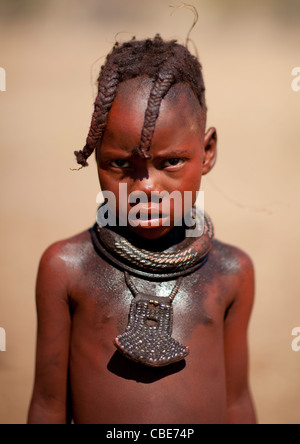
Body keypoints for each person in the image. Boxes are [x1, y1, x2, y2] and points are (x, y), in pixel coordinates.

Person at [27, 35, 256, 424]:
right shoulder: (66, 268)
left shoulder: (231, 273)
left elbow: (236, 402)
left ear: (208, 152)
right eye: (119, 165)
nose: (145, 189)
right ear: (96, 154)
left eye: (170, 162)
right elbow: (48, 405)